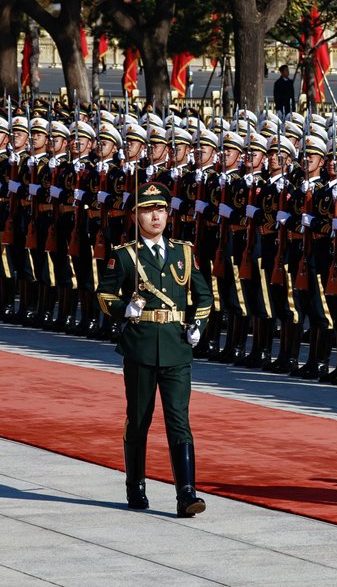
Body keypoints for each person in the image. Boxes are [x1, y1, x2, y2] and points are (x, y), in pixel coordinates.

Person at [95, 180, 213, 517]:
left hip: (176, 347)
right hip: (141, 346)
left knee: (179, 419)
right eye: (148, 210)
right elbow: (104, 294)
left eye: (160, 209)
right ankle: (136, 486)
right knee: (139, 420)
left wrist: (198, 326)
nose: (155, 216)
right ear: (136, 217)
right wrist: (123, 310)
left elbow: (204, 296)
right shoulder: (125, 255)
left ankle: (186, 493)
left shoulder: (183, 252)